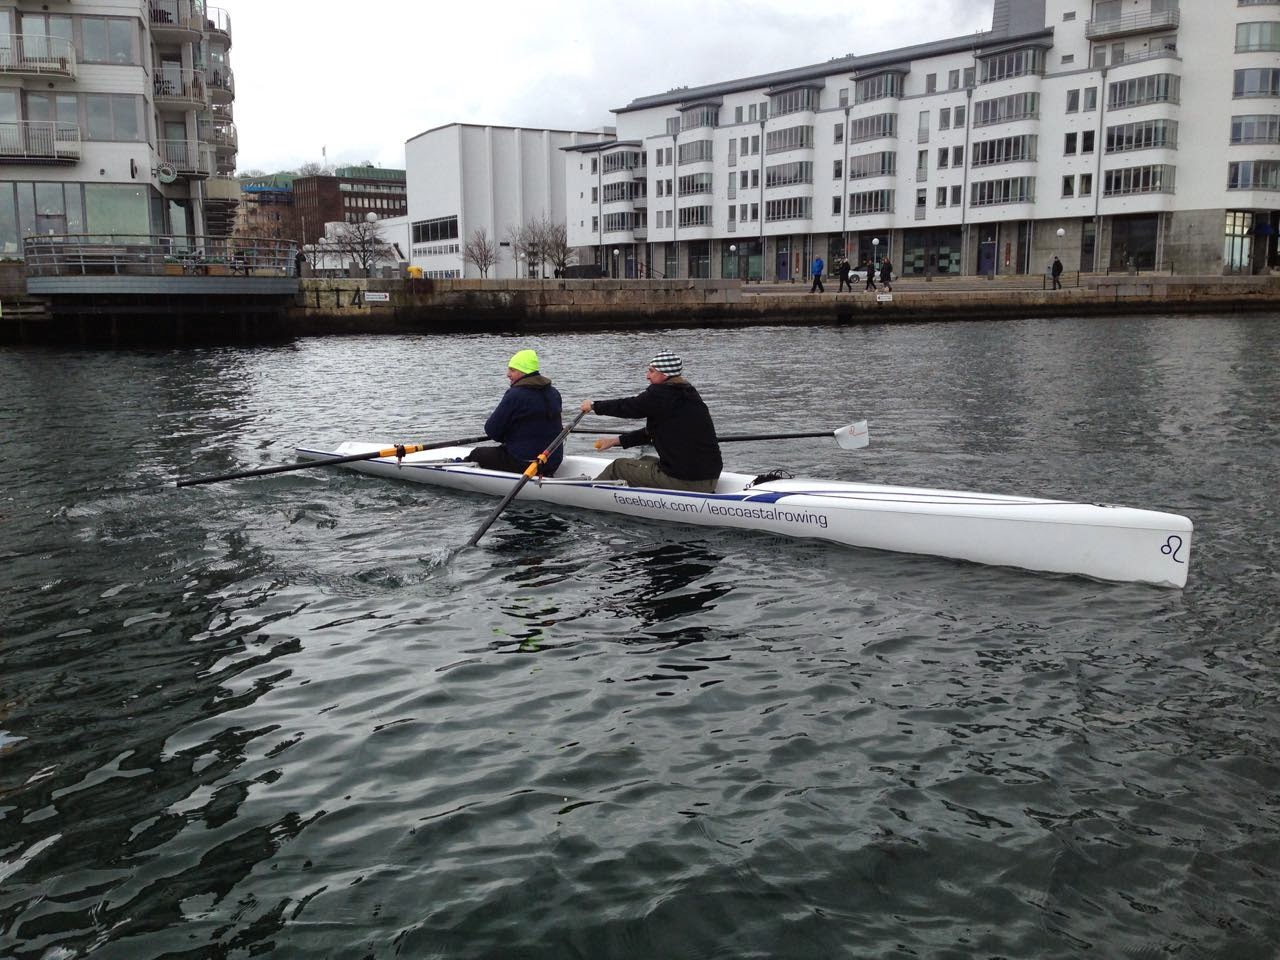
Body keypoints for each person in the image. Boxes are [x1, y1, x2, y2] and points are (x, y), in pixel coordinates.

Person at [580, 351, 722, 493]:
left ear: (665, 374)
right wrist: (615, 441)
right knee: (645, 459)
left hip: (685, 481)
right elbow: (653, 431)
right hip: (709, 478)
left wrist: (594, 406)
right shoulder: (688, 393)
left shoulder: (661, 394)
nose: (647, 376)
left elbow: (628, 407)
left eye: (651, 371)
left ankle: (587, 495)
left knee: (617, 467)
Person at [468, 349, 564, 476]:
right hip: (552, 462)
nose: (508, 374)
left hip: (526, 464)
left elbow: (492, 431)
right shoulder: (554, 393)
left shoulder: (515, 394)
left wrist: (507, 437)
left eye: (512, 370)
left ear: (524, 372)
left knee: (477, 454)